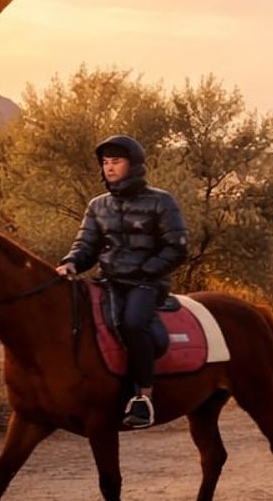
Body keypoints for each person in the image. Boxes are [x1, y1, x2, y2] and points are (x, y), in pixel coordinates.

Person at [57, 134, 189, 430]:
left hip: (146, 282)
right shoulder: (97, 205)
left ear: (134, 164)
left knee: (131, 324)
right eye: (105, 163)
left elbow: (177, 247)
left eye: (116, 161)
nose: (110, 168)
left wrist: (147, 269)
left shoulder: (161, 201)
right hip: (108, 281)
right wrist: (71, 262)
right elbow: (86, 245)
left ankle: (143, 398)